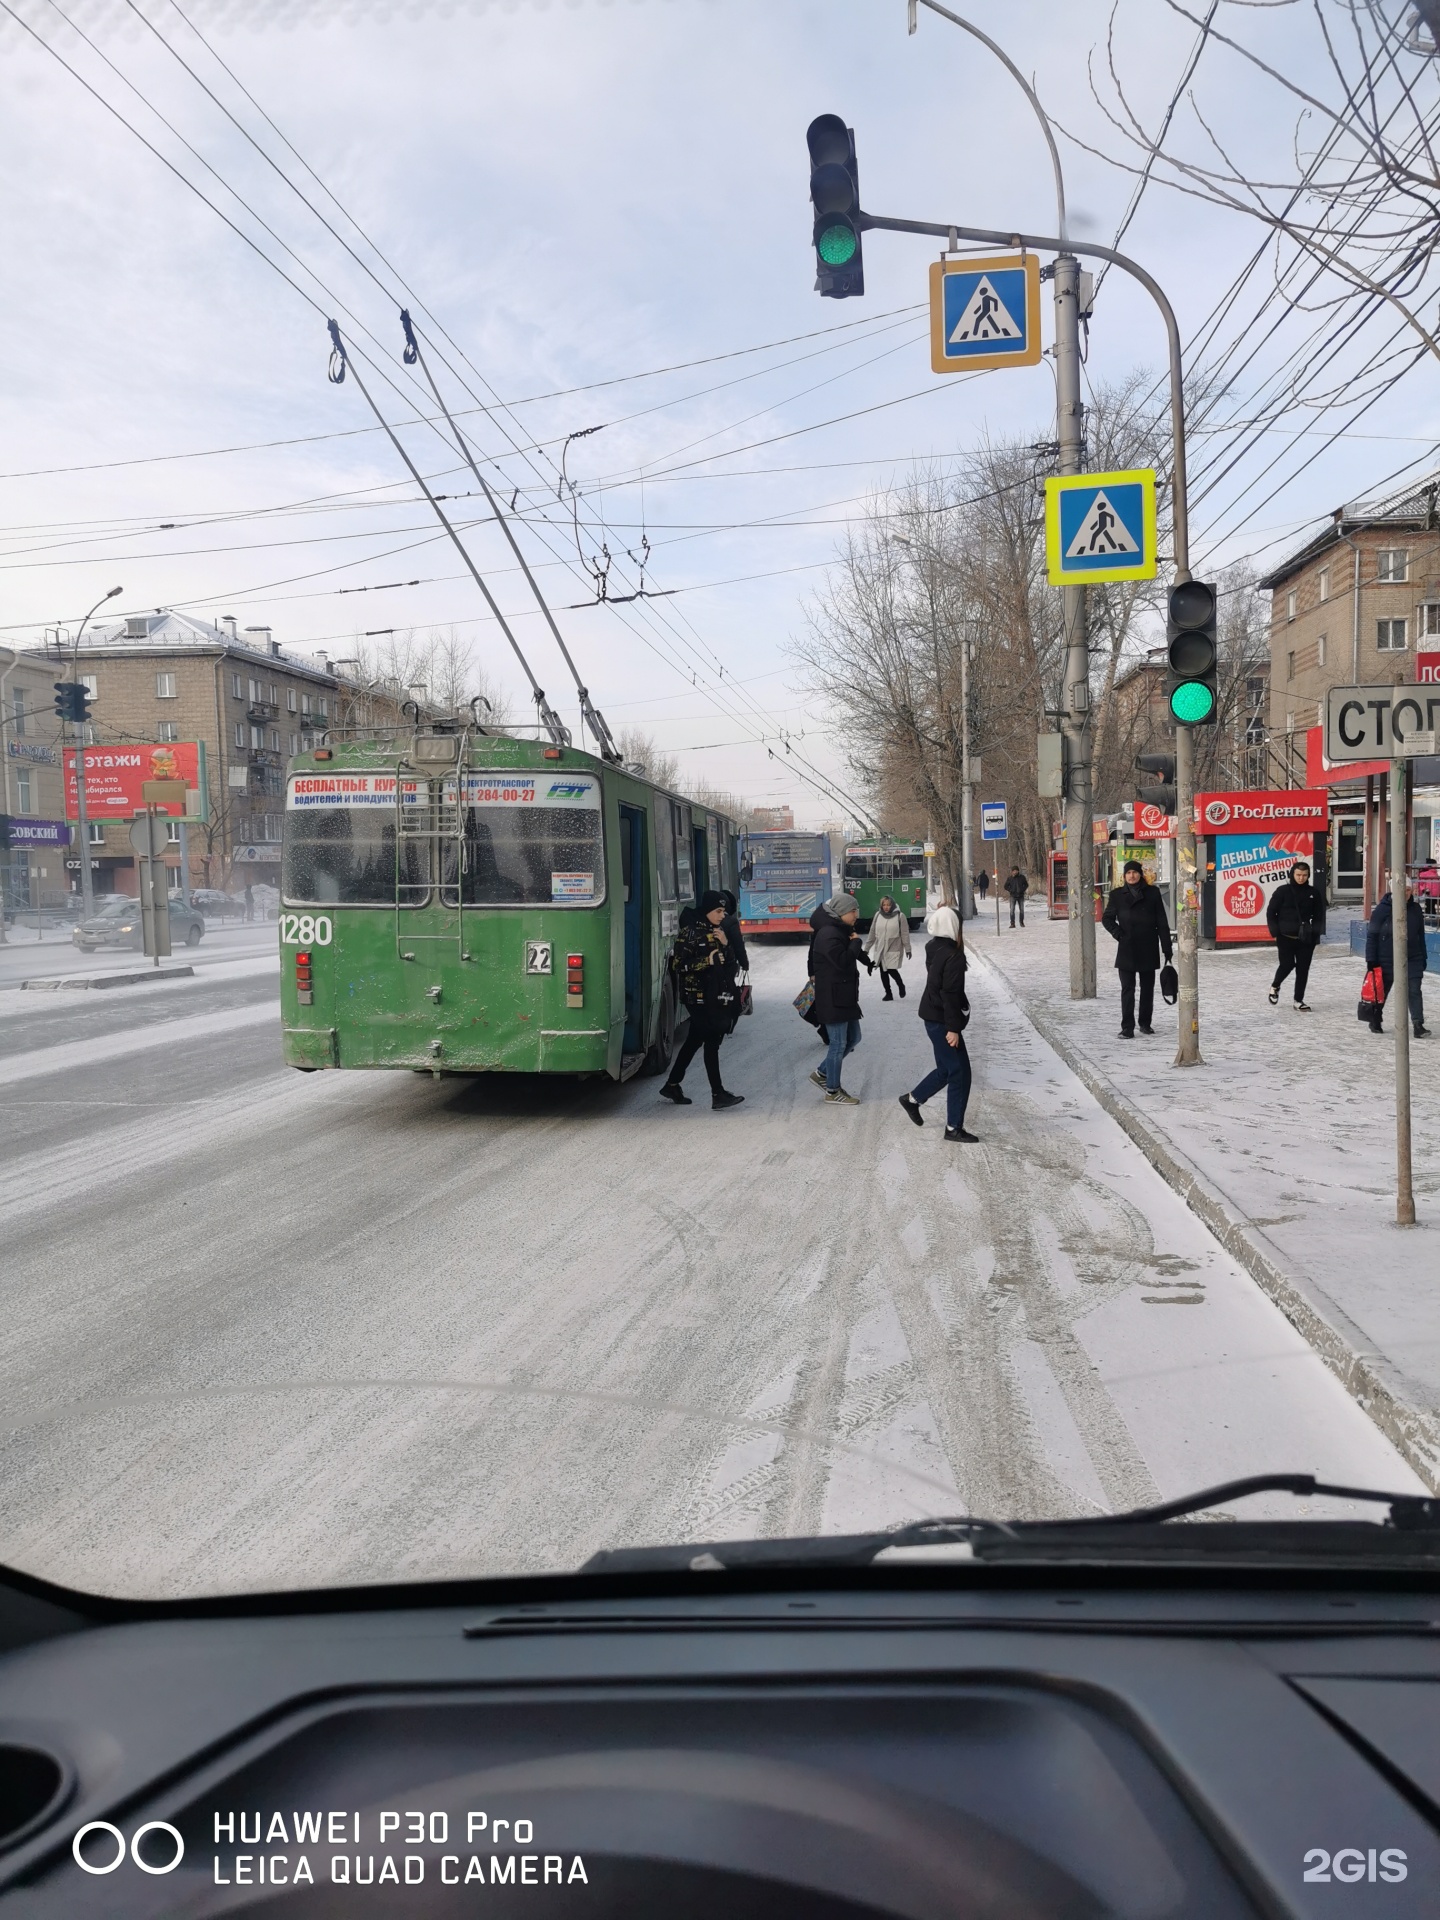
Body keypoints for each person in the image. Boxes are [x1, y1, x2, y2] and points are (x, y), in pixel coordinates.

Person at [898, 905, 977, 1143]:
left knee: (949, 1069)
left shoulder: (935, 946)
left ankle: (912, 1099)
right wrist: (953, 1028)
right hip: (942, 1021)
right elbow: (948, 993)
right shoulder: (952, 954)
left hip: (934, 1018)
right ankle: (953, 1128)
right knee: (958, 1073)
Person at [659, 891, 745, 1108]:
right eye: (718, 911)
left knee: (694, 1041)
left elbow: (729, 963)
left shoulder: (718, 931)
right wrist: (705, 961)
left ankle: (672, 1085)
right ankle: (718, 1094)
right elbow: (678, 965)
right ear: (707, 910)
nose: (721, 916)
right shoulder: (690, 933)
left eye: (724, 912)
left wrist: (726, 945)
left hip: (713, 996)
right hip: (695, 996)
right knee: (712, 1041)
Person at [1101, 858, 1173, 1039]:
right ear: (1124, 876)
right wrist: (1118, 934)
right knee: (1128, 989)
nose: (1131, 876)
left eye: (1134, 872)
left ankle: (1145, 1023)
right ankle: (1127, 1027)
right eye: (1128, 873)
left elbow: (1162, 922)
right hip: (1127, 947)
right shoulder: (1117, 895)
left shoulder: (1153, 893)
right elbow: (1107, 918)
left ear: (1140, 874)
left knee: (1147, 988)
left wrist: (1167, 947)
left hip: (1148, 946)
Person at [809, 892, 869, 1104]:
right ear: (842, 912)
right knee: (838, 1044)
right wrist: (856, 944)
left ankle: (822, 1073)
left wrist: (866, 958)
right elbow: (842, 961)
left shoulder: (839, 930)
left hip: (844, 996)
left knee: (854, 1038)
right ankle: (833, 1091)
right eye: (853, 911)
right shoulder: (828, 934)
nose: (856, 915)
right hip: (833, 997)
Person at [1365, 879, 1431, 1038]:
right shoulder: (1382, 910)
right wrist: (1371, 960)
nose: (1405, 894)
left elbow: (1420, 935)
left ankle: (1418, 1024)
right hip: (1386, 958)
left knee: (1414, 991)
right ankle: (1375, 1019)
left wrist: (1423, 957)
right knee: (1382, 991)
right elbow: (1372, 935)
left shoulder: (1415, 909)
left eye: (1408, 890)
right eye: (1401, 890)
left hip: (1413, 957)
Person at [1265, 859, 1324, 1011]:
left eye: (1304, 875)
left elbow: (1319, 915)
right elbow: (1271, 912)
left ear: (1308, 875)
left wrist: (1315, 936)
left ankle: (1298, 1000)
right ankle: (1275, 986)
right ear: (1293, 874)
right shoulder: (1282, 891)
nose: (1301, 878)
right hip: (1285, 937)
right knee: (1287, 964)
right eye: (1298, 875)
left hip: (1306, 938)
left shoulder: (1313, 893)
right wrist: (1275, 932)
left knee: (1303, 969)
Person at [864, 894, 912, 1001]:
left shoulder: (900, 916)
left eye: (888, 905)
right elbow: (872, 932)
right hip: (880, 947)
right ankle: (888, 993)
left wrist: (908, 949)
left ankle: (900, 985)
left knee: (891, 970)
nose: (886, 907)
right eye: (884, 905)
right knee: (883, 971)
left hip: (893, 947)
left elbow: (905, 934)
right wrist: (867, 948)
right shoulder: (878, 915)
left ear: (893, 905)